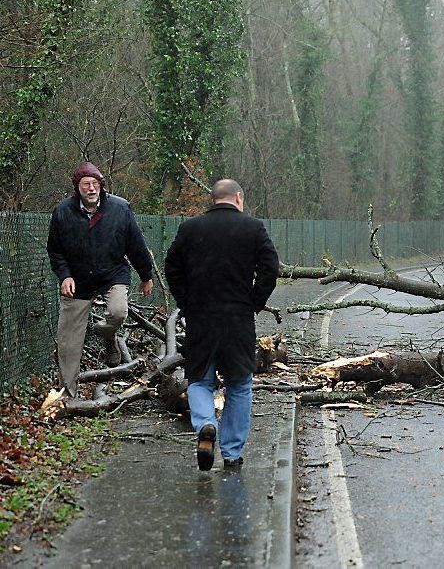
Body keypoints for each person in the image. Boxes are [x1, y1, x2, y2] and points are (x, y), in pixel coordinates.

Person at [164, 179, 279, 471]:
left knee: (200, 381)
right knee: (239, 385)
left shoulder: (190, 228)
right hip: (238, 319)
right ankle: (231, 453)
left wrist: (187, 302)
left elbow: (172, 267)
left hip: (201, 318)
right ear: (238, 198)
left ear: (213, 199)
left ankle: (205, 425)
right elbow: (270, 268)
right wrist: (254, 301)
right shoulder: (253, 228)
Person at [47, 161, 154, 397]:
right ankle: (68, 393)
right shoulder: (63, 211)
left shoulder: (120, 208)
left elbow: (136, 245)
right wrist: (64, 276)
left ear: (102, 186)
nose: (92, 189)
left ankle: (107, 333)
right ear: (77, 188)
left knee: (118, 312)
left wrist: (146, 275)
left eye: (96, 184)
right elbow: (55, 250)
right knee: (68, 340)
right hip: (78, 278)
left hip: (112, 272)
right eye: (86, 184)